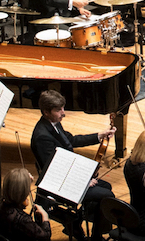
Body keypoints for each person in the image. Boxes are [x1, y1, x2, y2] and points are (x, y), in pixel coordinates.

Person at [31, 90, 113, 241]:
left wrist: (99, 136)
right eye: (58, 110)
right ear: (46, 112)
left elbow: (71, 140)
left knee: (106, 187)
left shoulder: (53, 124)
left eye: (63, 108)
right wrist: (84, 181)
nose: (63, 113)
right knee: (107, 196)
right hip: (58, 184)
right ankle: (94, 236)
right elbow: (54, 171)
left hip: (67, 175)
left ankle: (80, 224)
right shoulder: (42, 136)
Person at [0, 168, 51, 241]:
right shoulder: (23, 220)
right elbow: (45, 236)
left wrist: (25, 180)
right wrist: (45, 216)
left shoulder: (1, 205)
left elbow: (13, 185)